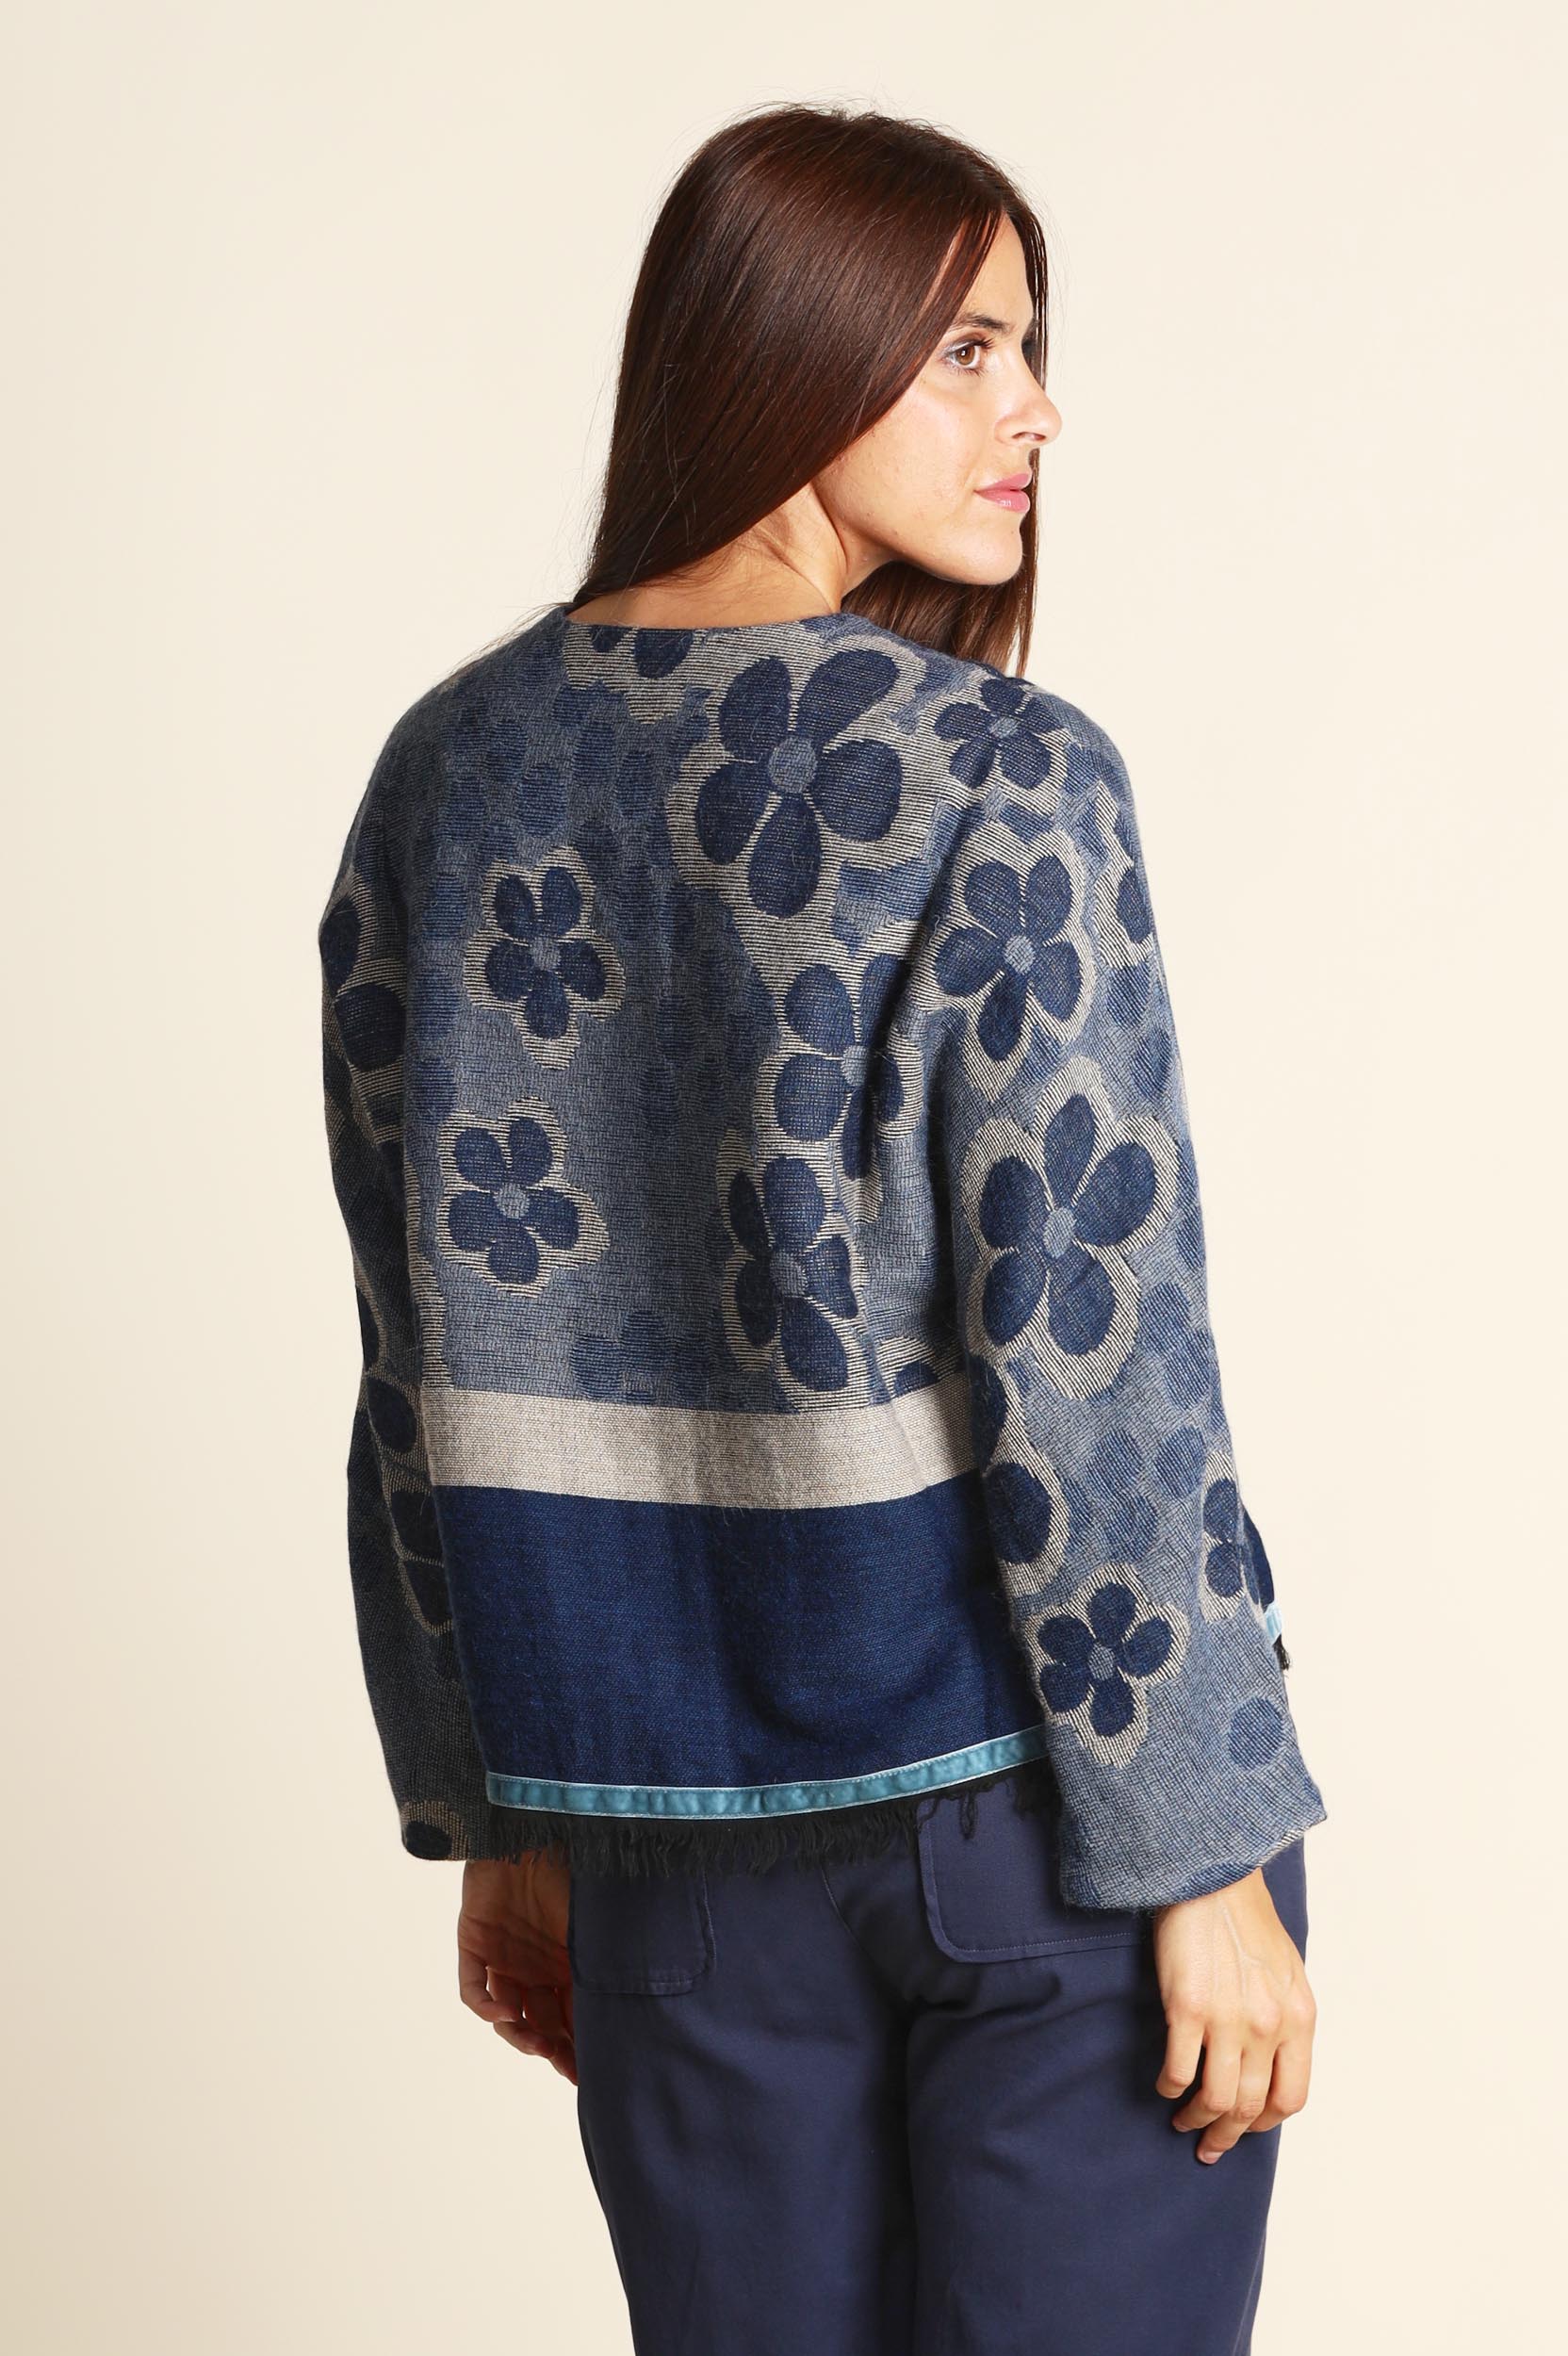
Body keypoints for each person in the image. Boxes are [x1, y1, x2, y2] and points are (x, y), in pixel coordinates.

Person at [318, 99, 1328, 2352]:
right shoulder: (1000, 774)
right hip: (1038, 1809)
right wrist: (1202, 1847)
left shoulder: (446, 773)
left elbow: (417, 1351)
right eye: (965, 349)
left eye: (1030, 348)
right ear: (783, 345)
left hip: (661, 1830)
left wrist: (499, 1801)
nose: (1033, 411)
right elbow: (1093, 1338)